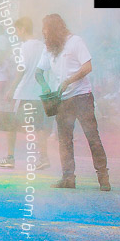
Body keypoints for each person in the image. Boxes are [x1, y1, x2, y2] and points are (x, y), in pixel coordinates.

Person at [36, 14, 110, 191]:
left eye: (45, 29)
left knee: (93, 137)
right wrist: (46, 87)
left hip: (82, 96)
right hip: (62, 100)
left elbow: (87, 67)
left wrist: (69, 80)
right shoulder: (49, 48)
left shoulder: (75, 42)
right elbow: (38, 72)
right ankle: (68, 178)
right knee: (64, 140)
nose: (43, 33)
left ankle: (103, 178)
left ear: (54, 29)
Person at [0, 18, 50, 170]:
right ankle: (43, 158)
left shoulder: (23, 47)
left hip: (24, 92)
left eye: (17, 30)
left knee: (11, 125)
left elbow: (21, 69)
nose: (17, 34)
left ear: (22, 29)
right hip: (38, 93)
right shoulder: (42, 46)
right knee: (39, 127)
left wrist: (11, 89)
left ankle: (10, 158)